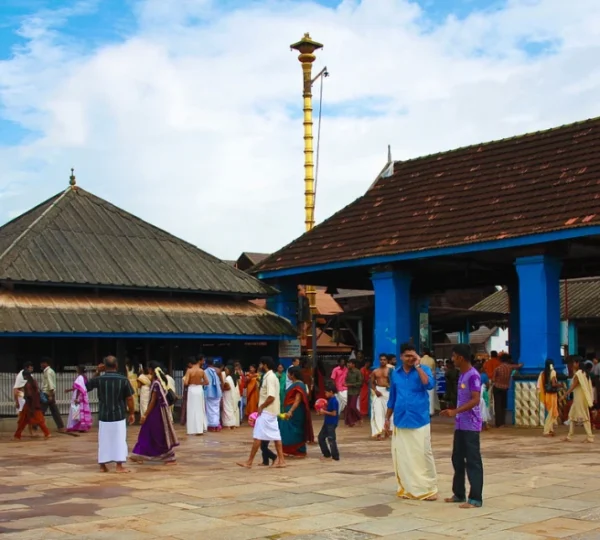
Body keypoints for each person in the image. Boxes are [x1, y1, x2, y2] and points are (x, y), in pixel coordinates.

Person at [384, 343, 437, 501]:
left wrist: (419, 366)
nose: (409, 359)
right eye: (407, 356)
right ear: (401, 357)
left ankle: (428, 489)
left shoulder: (423, 370)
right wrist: (387, 418)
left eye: (412, 356)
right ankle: (408, 488)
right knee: (403, 456)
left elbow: (429, 385)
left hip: (419, 418)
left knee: (422, 454)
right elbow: (392, 397)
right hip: (400, 419)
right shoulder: (395, 374)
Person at [441, 344, 484, 509]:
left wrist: (456, 411)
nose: (452, 360)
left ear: (460, 357)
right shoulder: (462, 375)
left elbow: (475, 399)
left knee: (473, 461)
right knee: (457, 459)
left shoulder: (473, 376)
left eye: (453, 356)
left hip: (471, 426)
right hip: (460, 424)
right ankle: (459, 493)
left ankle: (475, 498)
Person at [86, 356, 135, 473]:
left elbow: (87, 387)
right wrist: (132, 413)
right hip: (118, 414)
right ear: (116, 365)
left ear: (104, 366)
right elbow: (129, 398)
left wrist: (97, 372)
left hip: (104, 414)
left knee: (104, 440)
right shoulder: (123, 380)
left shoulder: (100, 379)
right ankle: (119, 466)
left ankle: (102, 466)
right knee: (119, 440)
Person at [237, 356, 286, 469]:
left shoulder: (269, 378)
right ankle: (281, 460)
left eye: (260, 364)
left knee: (258, 436)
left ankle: (249, 462)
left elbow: (271, 396)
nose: (259, 366)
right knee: (276, 436)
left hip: (267, 411)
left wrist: (261, 407)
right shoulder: (272, 376)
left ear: (264, 365)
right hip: (272, 411)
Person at [130, 362, 179, 464]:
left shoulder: (156, 383)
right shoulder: (161, 381)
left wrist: (145, 414)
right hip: (161, 411)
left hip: (156, 412)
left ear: (151, 370)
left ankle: (141, 454)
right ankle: (145, 454)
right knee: (157, 433)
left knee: (148, 431)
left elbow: (153, 401)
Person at [279, 366, 314, 457]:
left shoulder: (299, 385)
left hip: (296, 413)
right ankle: (289, 450)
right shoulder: (294, 384)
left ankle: (299, 451)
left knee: (296, 431)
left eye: (289, 373)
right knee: (287, 431)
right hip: (291, 412)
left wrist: (290, 411)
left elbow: (297, 400)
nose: (287, 375)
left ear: (293, 375)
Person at [563, 355, 594, 443]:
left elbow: (573, 385)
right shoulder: (584, 373)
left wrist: (564, 394)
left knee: (584, 417)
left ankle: (590, 437)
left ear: (577, 363)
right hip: (580, 398)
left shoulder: (579, 374)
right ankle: (569, 436)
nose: (572, 364)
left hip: (579, 399)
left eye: (573, 362)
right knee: (572, 416)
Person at [14, 371, 51, 440]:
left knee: (23, 420)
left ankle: (17, 435)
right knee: (38, 420)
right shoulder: (34, 382)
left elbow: (29, 395)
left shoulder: (27, 384)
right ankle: (47, 433)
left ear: (24, 376)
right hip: (35, 404)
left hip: (30, 404)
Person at [39, 357, 66, 433]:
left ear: (46, 363)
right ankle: (60, 427)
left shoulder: (48, 372)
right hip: (49, 394)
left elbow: (51, 384)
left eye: (42, 363)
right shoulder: (49, 371)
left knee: (41, 411)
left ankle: (35, 426)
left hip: (47, 394)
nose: (41, 365)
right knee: (54, 411)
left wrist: (50, 395)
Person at [184, 356, 208, 436]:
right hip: (199, 389)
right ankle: (200, 429)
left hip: (192, 389)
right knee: (200, 408)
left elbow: (186, 383)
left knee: (191, 408)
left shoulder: (189, 371)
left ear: (191, 363)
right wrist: (199, 383)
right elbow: (207, 382)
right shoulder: (201, 371)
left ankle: (192, 429)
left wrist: (191, 382)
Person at [65, 365, 93, 433]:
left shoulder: (80, 377)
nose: (76, 370)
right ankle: (81, 426)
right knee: (80, 410)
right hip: (83, 395)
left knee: (76, 410)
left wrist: (77, 398)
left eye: (77, 369)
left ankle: (76, 425)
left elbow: (79, 389)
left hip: (79, 395)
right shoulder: (84, 377)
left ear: (79, 370)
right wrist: (69, 390)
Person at [317, 381, 340, 462]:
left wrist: (324, 412)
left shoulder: (334, 401)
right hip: (327, 422)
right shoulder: (330, 400)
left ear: (331, 392)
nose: (325, 394)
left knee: (331, 439)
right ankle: (327, 454)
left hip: (331, 423)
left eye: (326, 392)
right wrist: (322, 412)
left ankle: (335, 456)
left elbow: (334, 413)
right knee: (321, 438)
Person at [537, 359, 560, 437]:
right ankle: (546, 431)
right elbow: (553, 384)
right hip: (552, 395)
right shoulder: (553, 372)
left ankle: (550, 430)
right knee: (551, 413)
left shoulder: (543, 373)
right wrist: (560, 385)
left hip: (547, 394)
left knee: (551, 412)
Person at [371, 354, 391, 440]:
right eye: (381, 359)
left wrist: (389, 386)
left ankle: (387, 431)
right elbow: (371, 383)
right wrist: (375, 391)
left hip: (387, 392)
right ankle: (378, 432)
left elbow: (393, 382)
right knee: (377, 412)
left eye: (384, 360)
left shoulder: (390, 371)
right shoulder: (375, 371)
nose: (382, 361)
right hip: (378, 392)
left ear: (387, 361)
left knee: (388, 412)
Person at [492, 354, 513, 427]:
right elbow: (519, 366)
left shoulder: (497, 369)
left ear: (500, 360)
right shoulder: (510, 367)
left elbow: (493, 379)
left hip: (497, 388)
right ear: (508, 360)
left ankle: (498, 423)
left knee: (497, 405)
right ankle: (503, 422)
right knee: (503, 405)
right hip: (505, 388)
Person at [204, 358, 223, 432]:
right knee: (216, 409)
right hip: (217, 392)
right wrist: (221, 390)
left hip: (209, 392)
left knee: (209, 410)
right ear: (213, 363)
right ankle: (216, 425)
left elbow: (204, 382)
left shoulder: (204, 371)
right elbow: (221, 381)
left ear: (206, 363)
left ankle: (211, 426)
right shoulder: (218, 370)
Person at [344, 359, 363, 427]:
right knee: (349, 407)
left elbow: (360, 383)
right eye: (348, 363)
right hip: (349, 391)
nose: (348, 365)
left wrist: (349, 385)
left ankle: (359, 417)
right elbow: (347, 380)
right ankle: (351, 422)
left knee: (352, 406)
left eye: (350, 363)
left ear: (353, 365)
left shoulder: (358, 372)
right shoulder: (348, 372)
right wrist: (345, 383)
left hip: (355, 391)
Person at [421, 349, 437, 416]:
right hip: (430, 378)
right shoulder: (432, 360)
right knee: (431, 396)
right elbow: (434, 370)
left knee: (423, 396)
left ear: (423, 352)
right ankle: (431, 411)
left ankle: (423, 411)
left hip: (422, 379)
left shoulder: (420, 359)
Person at [179, 358, 195, 426]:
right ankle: (184, 420)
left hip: (188, 391)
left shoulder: (189, 372)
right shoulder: (188, 373)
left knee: (186, 406)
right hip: (187, 391)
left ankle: (185, 420)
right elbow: (185, 383)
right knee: (186, 406)